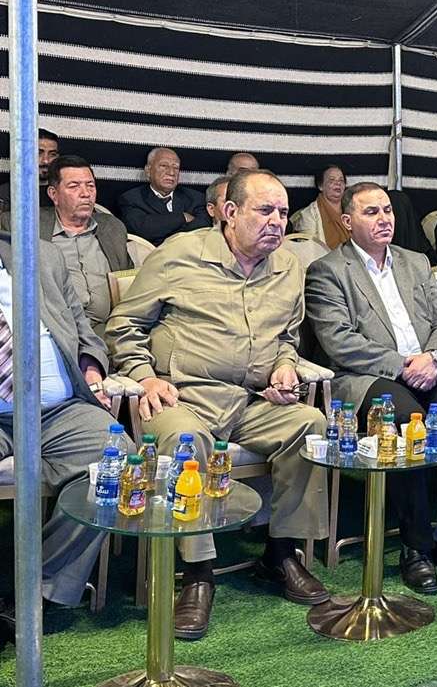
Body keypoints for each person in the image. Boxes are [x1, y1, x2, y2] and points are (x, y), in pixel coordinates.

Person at [106, 169, 330, 641]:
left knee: (310, 423)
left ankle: (280, 553)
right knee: (187, 439)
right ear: (229, 212)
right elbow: (124, 324)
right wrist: (145, 376)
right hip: (182, 395)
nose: (277, 221)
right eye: (264, 211)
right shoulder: (180, 254)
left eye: (283, 212)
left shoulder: (288, 267)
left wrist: (284, 368)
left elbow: (287, 339)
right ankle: (198, 573)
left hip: (249, 400)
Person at [305, 182, 437, 593]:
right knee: (408, 422)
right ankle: (416, 547)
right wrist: (404, 365)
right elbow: (340, 342)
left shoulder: (415, 262)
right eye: (371, 212)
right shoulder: (328, 271)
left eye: (387, 210)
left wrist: (433, 358)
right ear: (347, 221)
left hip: (430, 369)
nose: (384, 219)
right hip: (370, 378)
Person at [0, 233, 122, 640]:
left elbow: (83, 328)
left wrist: (91, 368)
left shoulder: (38, 253)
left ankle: (36, 590)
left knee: (115, 460)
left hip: (61, 411)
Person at [0, 155, 131, 336]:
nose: (85, 193)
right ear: (54, 194)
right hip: (56, 333)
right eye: (74, 186)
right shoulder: (26, 228)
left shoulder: (112, 228)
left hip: (109, 330)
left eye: (90, 185)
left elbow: (128, 283)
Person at [118, 147, 211, 245]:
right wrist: (183, 217)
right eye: (164, 166)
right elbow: (143, 229)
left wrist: (161, 230)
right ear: (148, 171)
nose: (171, 173)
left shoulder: (196, 198)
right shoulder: (131, 199)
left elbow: (203, 229)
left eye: (176, 167)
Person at [289, 164, 350, 249]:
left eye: (341, 180)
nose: (338, 183)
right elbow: (307, 250)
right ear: (320, 186)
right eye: (331, 180)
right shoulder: (308, 215)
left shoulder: (352, 210)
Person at [0, 128, 60, 209]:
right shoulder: (5, 194)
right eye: (39, 153)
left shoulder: (64, 193)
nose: (46, 161)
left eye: (52, 154)